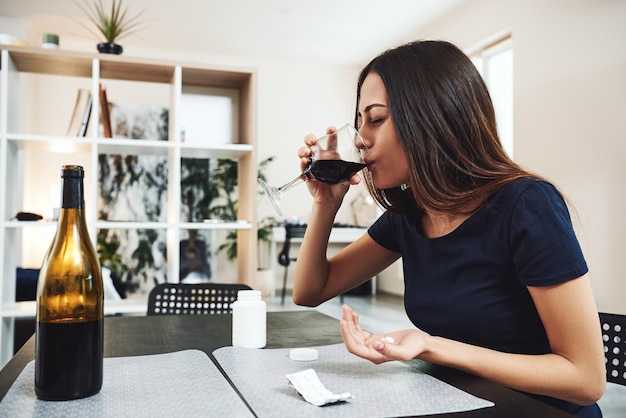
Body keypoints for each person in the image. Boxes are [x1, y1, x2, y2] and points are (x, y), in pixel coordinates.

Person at [292, 40, 605, 417]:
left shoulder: (526, 205)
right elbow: (310, 291)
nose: (359, 139)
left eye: (375, 119)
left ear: (433, 115)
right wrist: (325, 204)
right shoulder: (409, 216)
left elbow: (586, 379)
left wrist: (431, 346)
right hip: (457, 405)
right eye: (359, 123)